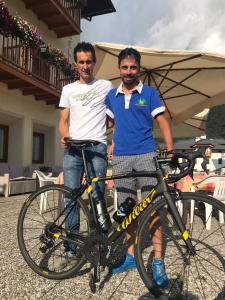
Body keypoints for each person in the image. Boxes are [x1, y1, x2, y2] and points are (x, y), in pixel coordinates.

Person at [106, 48, 173, 287]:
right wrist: (112, 143)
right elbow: (112, 123)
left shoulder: (150, 94)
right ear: (119, 69)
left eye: (133, 67)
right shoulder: (111, 96)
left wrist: (171, 150)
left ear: (139, 68)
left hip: (146, 155)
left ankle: (157, 261)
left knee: (155, 211)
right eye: (124, 67)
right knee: (127, 210)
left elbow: (163, 121)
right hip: (122, 158)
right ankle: (132, 255)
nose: (128, 71)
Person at [59, 42, 113, 253]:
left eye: (89, 61)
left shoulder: (106, 86)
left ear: (94, 63)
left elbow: (112, 119)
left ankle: (98, 242)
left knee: (97, 196)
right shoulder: (68, 89)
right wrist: (64, 136)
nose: (85, 66)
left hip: (97, 149)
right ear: (76, 64)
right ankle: (71, 245)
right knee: (71, 197)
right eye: (81, 62)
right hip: (73, 151)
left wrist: (108, 137)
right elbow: (63, 121)